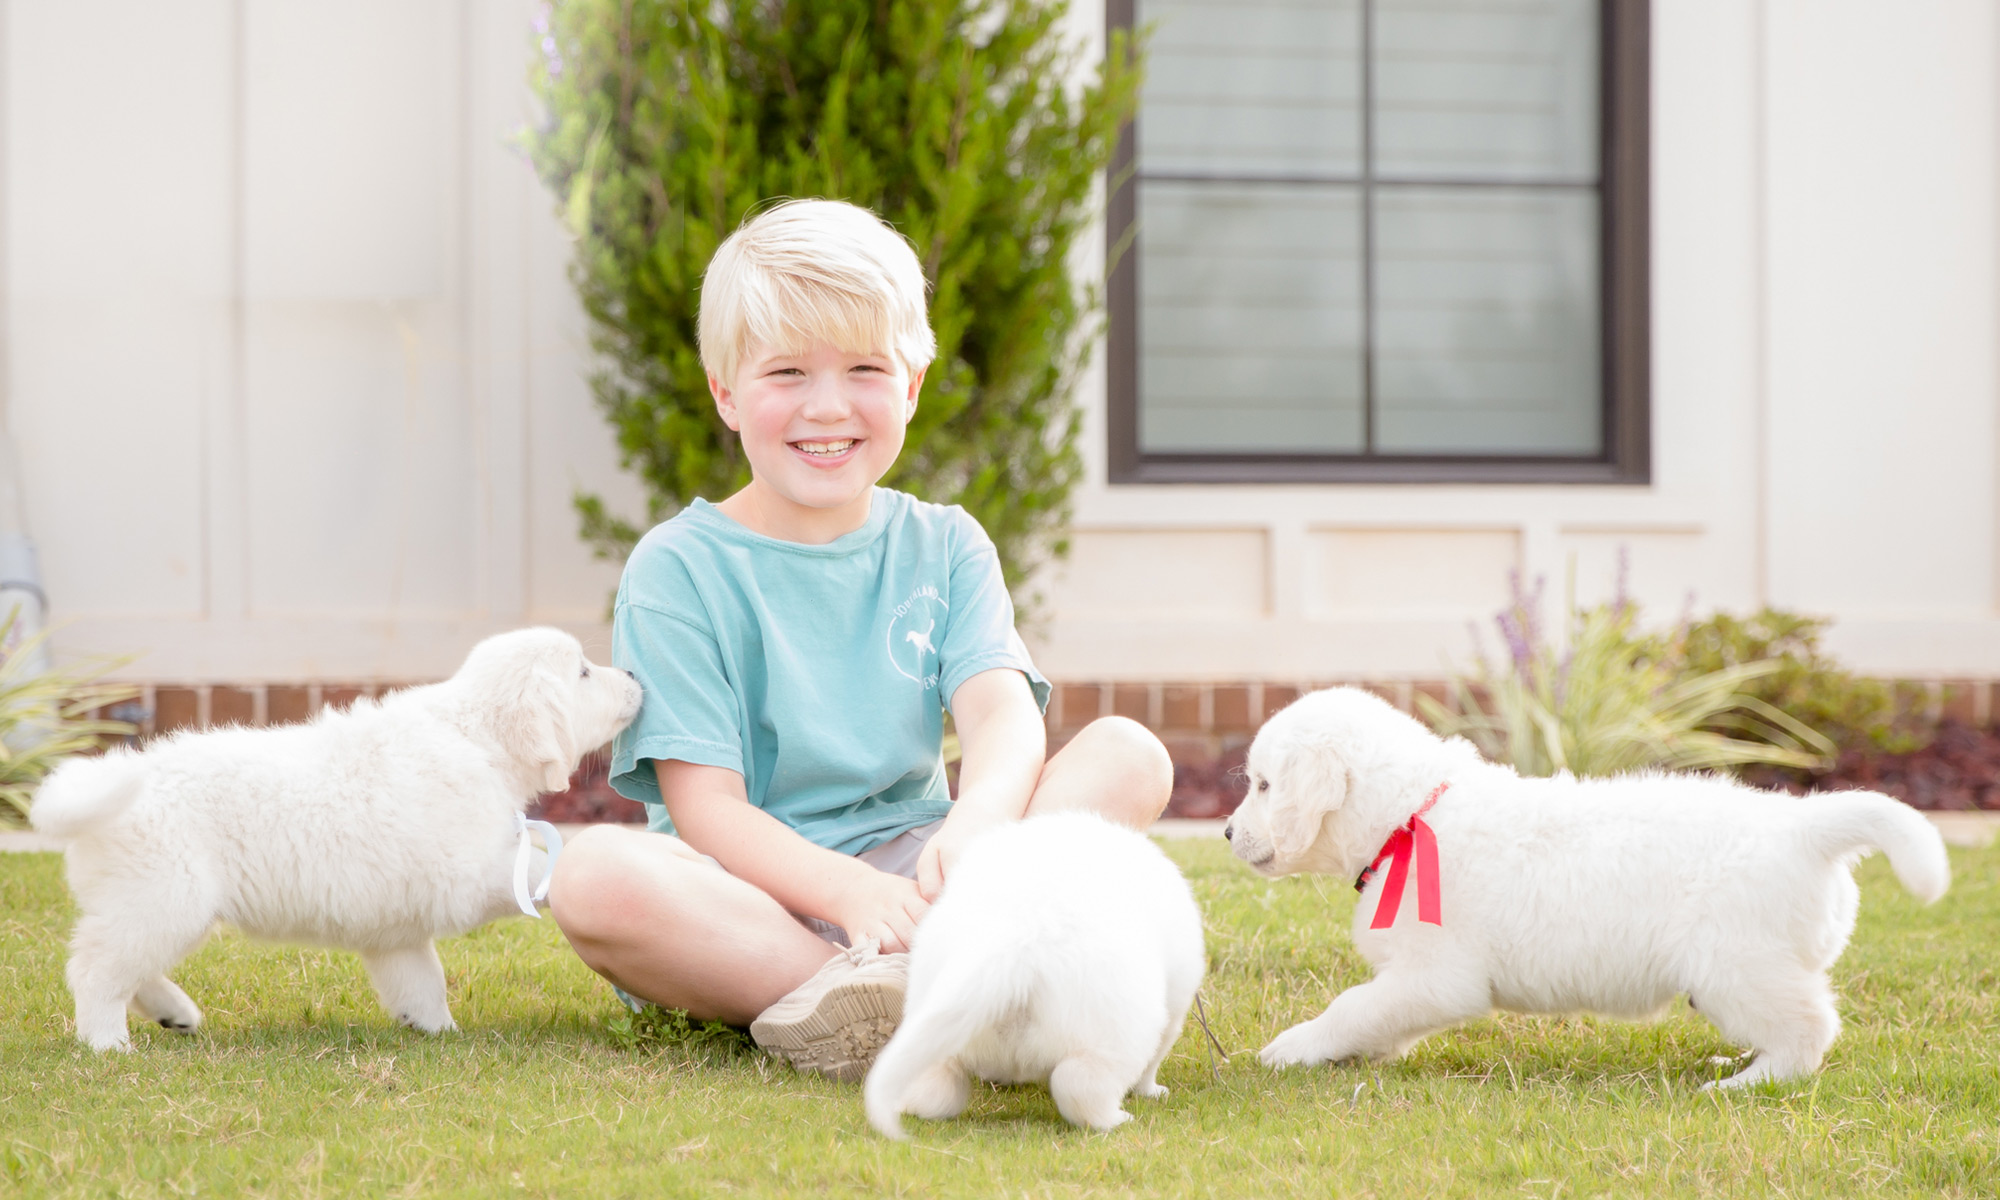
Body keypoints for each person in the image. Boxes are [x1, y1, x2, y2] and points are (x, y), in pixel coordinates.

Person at [548, 198, 1173, 1080]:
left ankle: (931, 981)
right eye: (787, 372)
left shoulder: (946, 544)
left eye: (865, 369)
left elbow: (1001, 715)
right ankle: (887, 993)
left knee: (1129, 756)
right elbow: (707, 809)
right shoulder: (677, 568)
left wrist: (979, 827)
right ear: (726, 394)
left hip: (928, 883)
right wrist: (851, 895)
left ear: (911, 385)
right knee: (592, 877)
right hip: (750, 905)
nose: (828, 406)